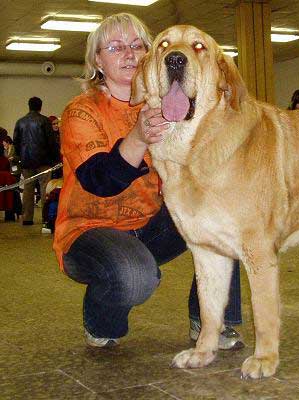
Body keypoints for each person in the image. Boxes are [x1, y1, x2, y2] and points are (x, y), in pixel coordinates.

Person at [53, 13, 243, 350]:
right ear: (97, 59)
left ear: (151, 55)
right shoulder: (80, 111)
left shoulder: (168, 103)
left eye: (137, 45)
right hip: (89, 230)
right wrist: (139, 137)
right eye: (115, 47)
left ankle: (211, 320)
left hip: (150, 225)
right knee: (134, 276)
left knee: (227, 217)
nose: (128, 54)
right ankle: (100, 319)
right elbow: (99, 182)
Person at [13, 96, 57, 225]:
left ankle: (27, 218)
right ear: (40, 107)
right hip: (44, 161)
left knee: (28, 189)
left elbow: (16, 142)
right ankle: (46, 218)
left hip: (26, 162)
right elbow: (51, 142)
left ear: (29, 106)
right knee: (45, 189)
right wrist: (55, 159)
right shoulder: (44, 121)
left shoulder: (20, 122)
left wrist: (20, 158)